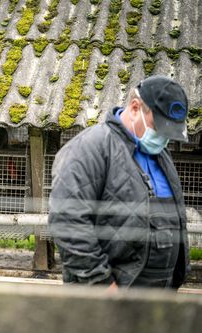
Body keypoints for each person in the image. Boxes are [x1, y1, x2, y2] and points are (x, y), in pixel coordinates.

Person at [48, 75, 191, 289]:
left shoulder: (161, 155)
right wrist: (101, 282)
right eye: (158, 126)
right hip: (110, 297)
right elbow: (67, 221)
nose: (163, 137)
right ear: (135, 108)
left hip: (158, 297)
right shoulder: (90, 148)